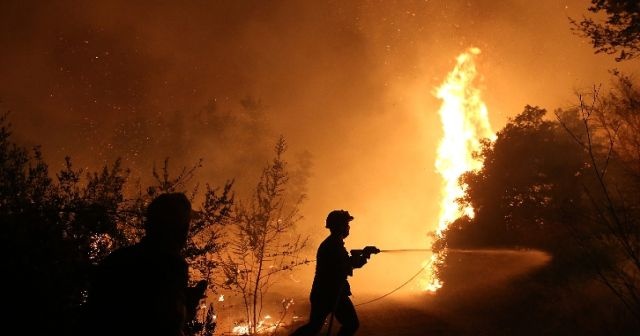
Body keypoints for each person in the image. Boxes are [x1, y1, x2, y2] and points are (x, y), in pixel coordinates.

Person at [85, 192, 206, 336]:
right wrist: (186, 309)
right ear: (182, 231)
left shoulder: (116, 260)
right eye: (185, 227)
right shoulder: (170, 265)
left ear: (147, 225)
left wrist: (183, 303)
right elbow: (166, 327)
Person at [291, 210, 377, 336]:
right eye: (346, 224)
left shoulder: (334, 243)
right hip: (330, 293)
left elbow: (347, 264)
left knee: (314, 327)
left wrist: (364, 255)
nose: (348, 227)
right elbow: (346, 266)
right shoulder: (333, 245)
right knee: (350, 324)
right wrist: (364, 255)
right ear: (340, 226)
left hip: (325, 292)